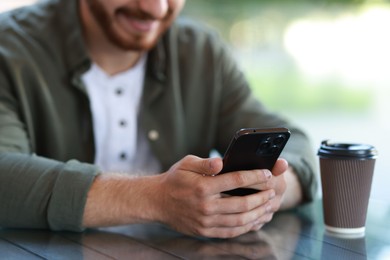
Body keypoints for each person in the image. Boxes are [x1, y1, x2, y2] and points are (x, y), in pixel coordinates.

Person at [0, 0, 318, 238]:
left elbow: (297, 148)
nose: (156, 8)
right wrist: (157, 199)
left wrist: (266, 192)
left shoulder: (201, 52)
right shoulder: (9, 49)